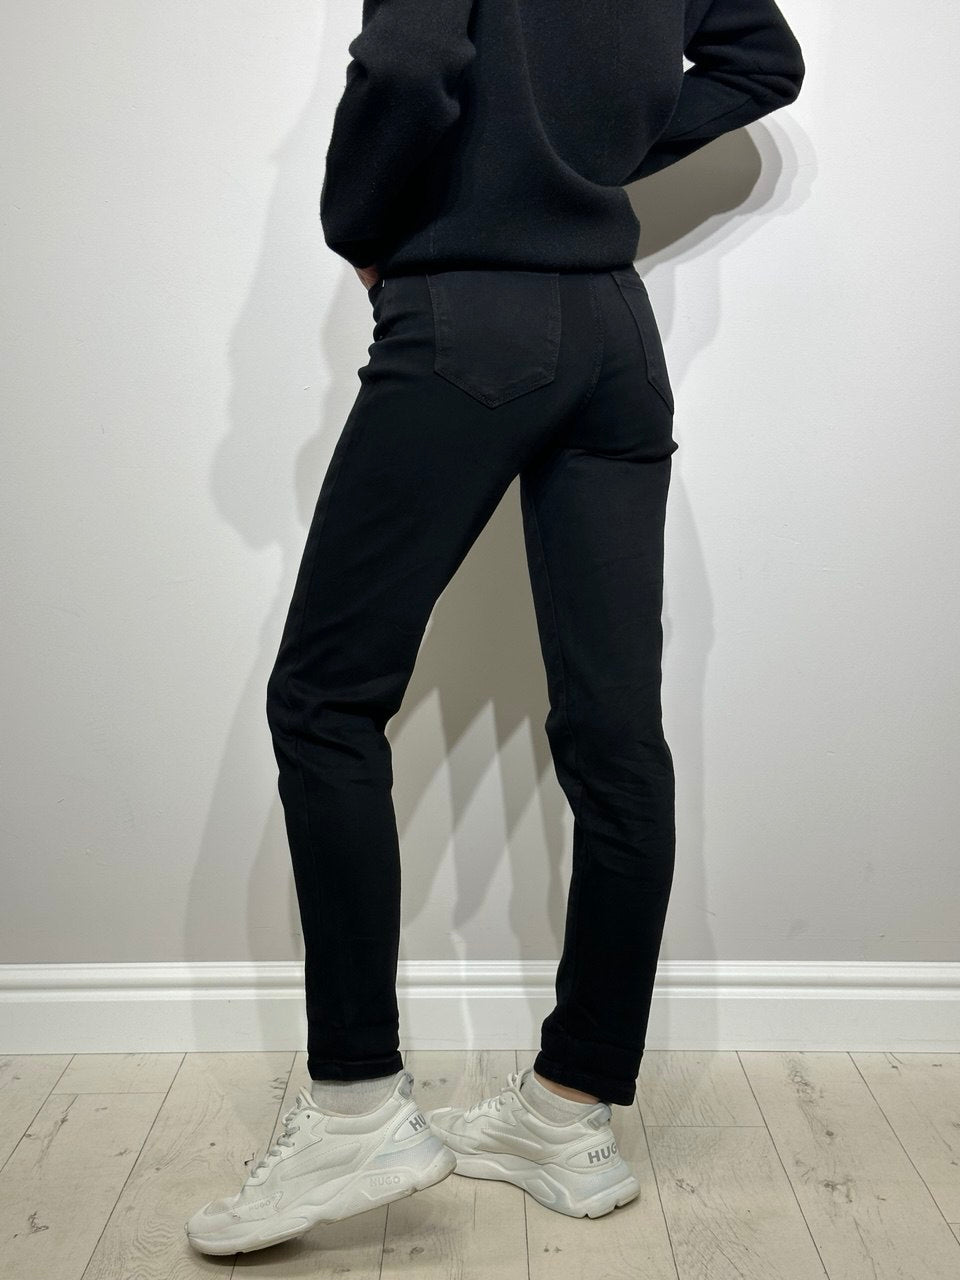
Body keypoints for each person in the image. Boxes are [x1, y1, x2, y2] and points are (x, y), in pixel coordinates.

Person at [186, 0, 804, 1255]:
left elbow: (409, 59)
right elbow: (763, 59)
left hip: (468, 315)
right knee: (617, 736)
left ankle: (356, 1106)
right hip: (616, 336)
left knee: (324, 700)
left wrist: (362, 226)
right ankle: (569, 1112)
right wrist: (589, 152)